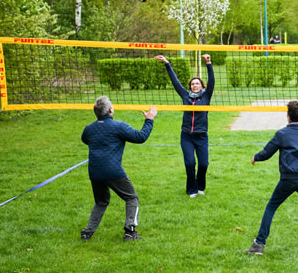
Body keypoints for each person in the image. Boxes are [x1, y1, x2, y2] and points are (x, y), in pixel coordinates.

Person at [246, 101, 298, 255]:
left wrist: (255, 158)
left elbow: (267, 152)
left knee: (271, 207)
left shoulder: (282, 134)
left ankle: (259, 245)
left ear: (288, 115)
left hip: (289, 179)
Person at [81, 96, 157, 241]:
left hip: (95, 171)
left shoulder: (89, 128)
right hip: (112, 171)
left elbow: (85, 139)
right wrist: (149, 119)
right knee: (132, 198)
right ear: (111, 110)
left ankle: (87, 232)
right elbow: (141, 137)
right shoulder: (118, 126)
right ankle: (130, 232)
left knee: (101, 202)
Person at [155, 54, 215, 198]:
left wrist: (208, 63)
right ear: (190, 86)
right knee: (189, 163)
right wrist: (167, 63)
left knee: (203, 164)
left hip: (201, 135)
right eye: (193, 84)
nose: (195, 85)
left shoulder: (206, 96)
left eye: (197, 83)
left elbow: (212, 81)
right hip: (186, 135)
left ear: (202, 86)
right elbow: (175, 82)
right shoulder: (185, 96)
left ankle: (200, 187)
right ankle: (191, 190)